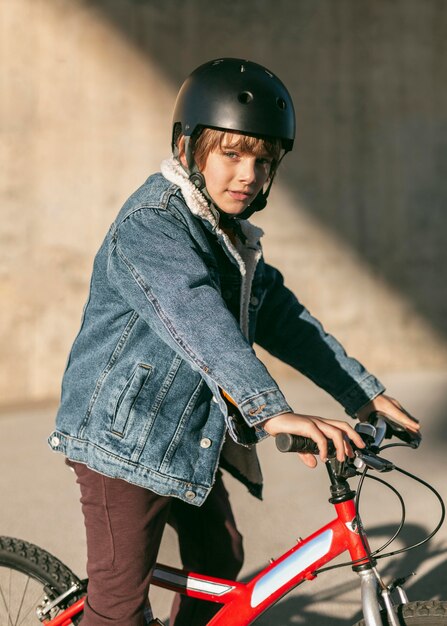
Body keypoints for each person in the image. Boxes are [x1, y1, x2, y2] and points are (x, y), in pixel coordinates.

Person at [49, 58, 420, 626]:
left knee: (221, 560)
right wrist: (271, 412)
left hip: (187, 433)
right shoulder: (153, 224)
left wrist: (362, 394)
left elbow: (286, 320)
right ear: (187, 148)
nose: (247, 174)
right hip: (122, 445)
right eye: (231, 154)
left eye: (262, 160)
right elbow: (198, 317)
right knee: (120, 606)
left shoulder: (233, 234)